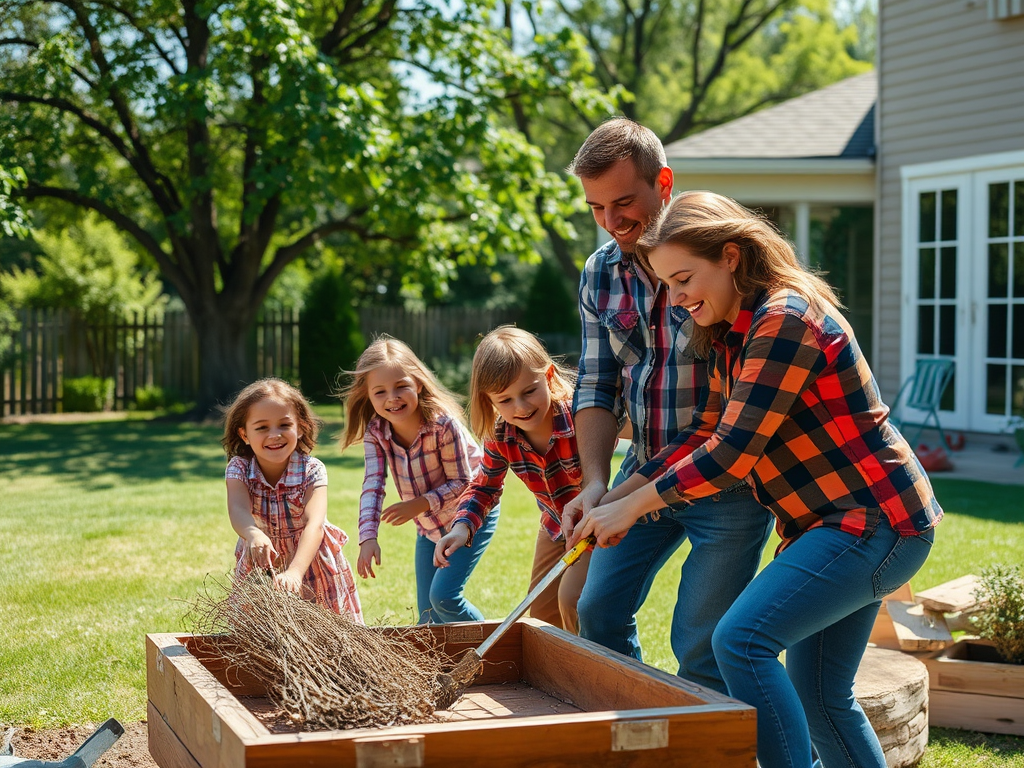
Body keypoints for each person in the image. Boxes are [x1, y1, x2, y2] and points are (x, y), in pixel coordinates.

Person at [570, 190, 942, 768]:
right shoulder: (729, 335)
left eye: (685, 278)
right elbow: (705, 433)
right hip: (831, 525)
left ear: (732, 256)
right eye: (667, 283)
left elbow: (733, 453)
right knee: (821, 696)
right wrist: (611, 499)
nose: (676, 297)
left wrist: (632, 507)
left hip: (876, 522)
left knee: (740, 640)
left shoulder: (784, 319)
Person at [561, 117, 773, 691]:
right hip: (644, 466)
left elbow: (726, 426)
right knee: (596, 611)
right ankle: (636, 737)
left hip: (727, 482)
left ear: (664, 183)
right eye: (596, 208)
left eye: (623, 202)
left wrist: (628, 496)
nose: (611, 222)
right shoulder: (599, 272)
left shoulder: (726, 267)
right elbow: (596, 384)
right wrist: (597, 483)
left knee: (700, 645)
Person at [434, 326, 589, 633]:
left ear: (548, 376)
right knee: (542, 614)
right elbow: (485, 486)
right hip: (555, 526)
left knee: (575, 601)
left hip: (595, 524)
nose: (521, 407)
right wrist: (461, 526)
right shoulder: (500, 434)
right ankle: (556, 676)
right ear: (488, 400)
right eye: (505, 400)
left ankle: (603, 670)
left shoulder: (580, 414)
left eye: (529, 391)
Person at [340, 335, 498, 624]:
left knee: (445, 598)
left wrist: (419, 504)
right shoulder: (376, 432)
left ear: (419, 383)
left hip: (471, 516)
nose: (392, 398)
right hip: (428, 527)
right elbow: (372, 486)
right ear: (367, 395)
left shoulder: (442, 425)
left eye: (401, 386)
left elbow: (464, 483)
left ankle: (493, 646)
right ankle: (441, 669)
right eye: (380, 392)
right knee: (427, 617)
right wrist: (368, 537)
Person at [222, 377, 363, 620]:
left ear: (301, 427)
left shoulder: (312, 470)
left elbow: (315, 525)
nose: (274, 435)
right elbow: (238, 510)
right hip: (262, 563)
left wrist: (296, 572)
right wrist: (253, 533)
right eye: (262, 427)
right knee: (263, 632)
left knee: (326, 633)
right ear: (244, 434)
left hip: (312, 562)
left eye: (284, 425)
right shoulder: (239, 468)